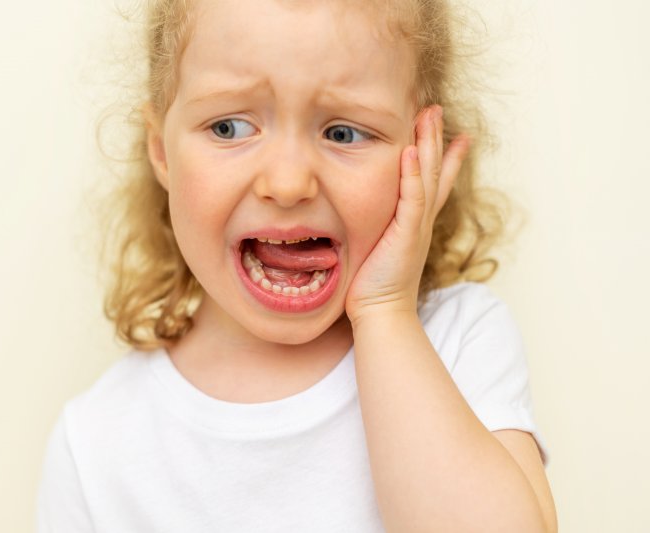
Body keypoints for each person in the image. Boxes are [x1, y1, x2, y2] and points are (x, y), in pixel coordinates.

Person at [36, 0, 558, 531]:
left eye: (343, 133)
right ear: (161, 152)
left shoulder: (458, 342)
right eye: (230, 127)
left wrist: (384, 312)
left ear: (424, 154)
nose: (287, 184)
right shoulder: (95, 445)